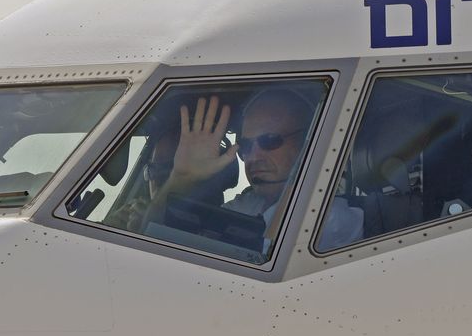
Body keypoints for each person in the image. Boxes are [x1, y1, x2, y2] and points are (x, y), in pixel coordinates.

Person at [148, 89, 362, 251]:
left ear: (307, 144)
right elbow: (152, 241)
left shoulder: (333, 218)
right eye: (246, 146)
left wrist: (307, 166)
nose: (253, 157)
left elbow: (265, 258)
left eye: (269, 141)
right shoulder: (249, 205)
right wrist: (181, 179)